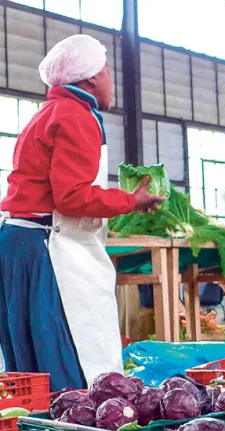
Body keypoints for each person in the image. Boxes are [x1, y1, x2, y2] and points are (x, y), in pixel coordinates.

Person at [0, 35, 164, 390]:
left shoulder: (44, 114)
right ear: (90, 78)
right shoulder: (76, 116)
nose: (111, 82)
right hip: (45, 249)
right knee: (68, 363)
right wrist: (129, 201)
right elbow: (71, 197)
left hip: (17, 241)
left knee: (28, 369)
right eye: (107, 72)